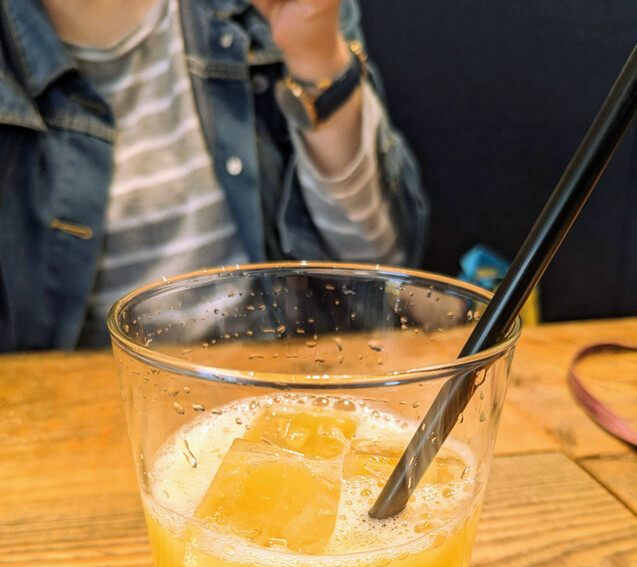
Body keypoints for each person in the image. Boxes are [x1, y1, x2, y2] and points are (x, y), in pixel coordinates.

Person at [0, 0, 427, 351]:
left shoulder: (265, 11)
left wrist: (315, 55)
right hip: (88, 403)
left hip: (292, 381)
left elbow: (382, 266)